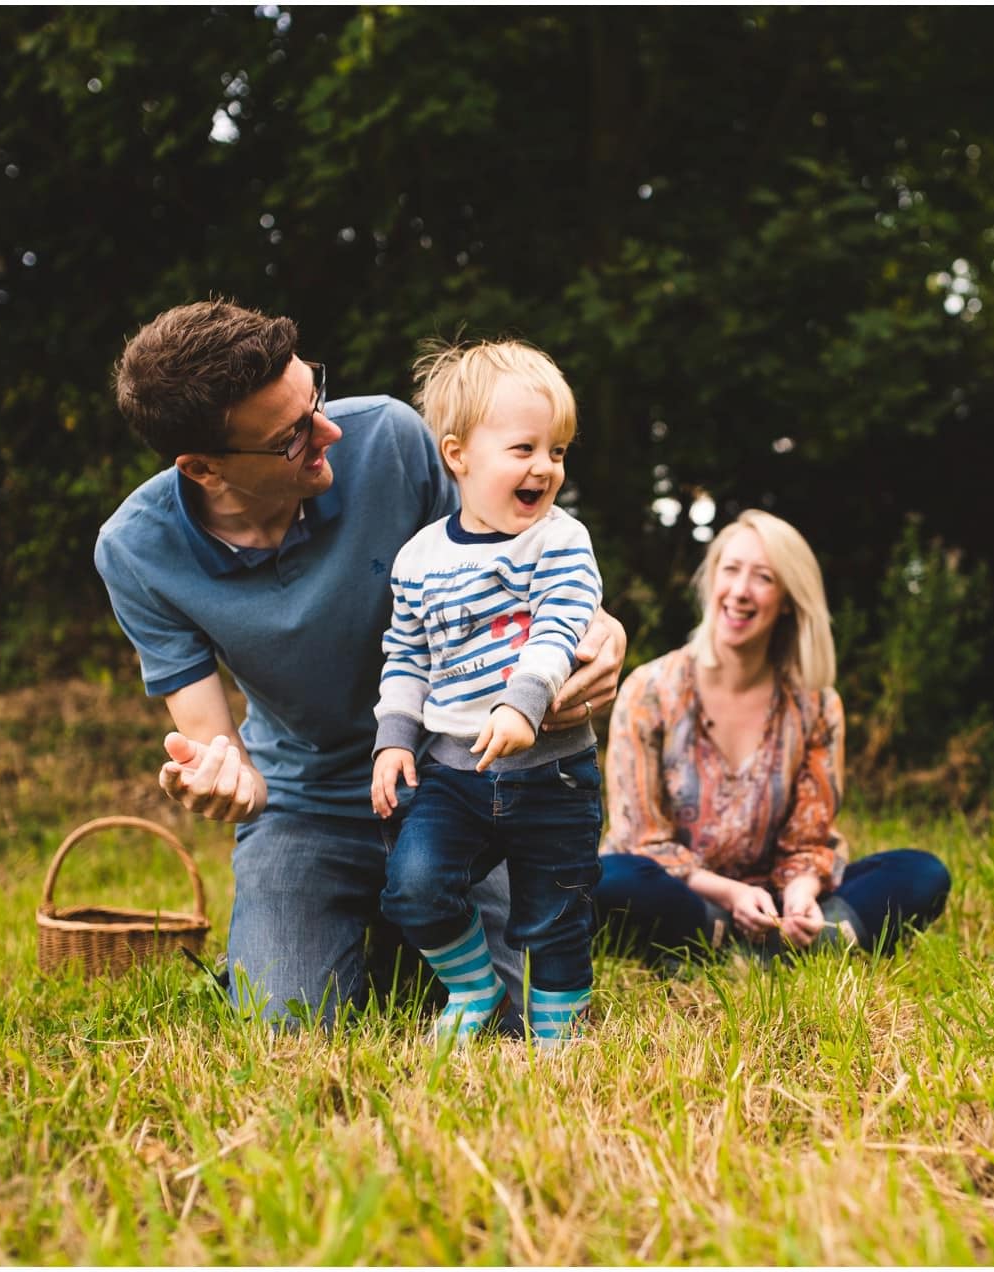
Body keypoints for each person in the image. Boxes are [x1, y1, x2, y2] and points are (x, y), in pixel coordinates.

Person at [94, 300, 624, 1027]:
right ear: (204, 468)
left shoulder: (390, 441)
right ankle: (354, 928)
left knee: (513, 1019)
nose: (329, 432)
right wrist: (225, 781)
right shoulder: (136, 550)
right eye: (291, 437)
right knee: (285, 1022)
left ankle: (410, 927)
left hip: (457, 780)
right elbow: (216, 744)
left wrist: (600, 628)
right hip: (306, 806)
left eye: (313, 394)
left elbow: (516, 552)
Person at [369, 340, 604, 1048]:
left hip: (553, 771)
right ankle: (473, 988)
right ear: (458, 456)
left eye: (557, 451)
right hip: (455, 771)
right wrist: (393, 741)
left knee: (556, 915)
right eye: (523, 448)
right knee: (414, 884)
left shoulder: (560, 541)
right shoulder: (419, 558)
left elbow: (561, 623)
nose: (545, 467)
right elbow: (406, 655)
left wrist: (522, 702)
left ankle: (558, 1040)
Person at [594, 510, 950, 961]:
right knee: (606, 878)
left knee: (921, 873)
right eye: (731, 570)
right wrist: (731, 895)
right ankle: (731, 934)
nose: (740, 590)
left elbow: (809, 838)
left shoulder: (815, 704)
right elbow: (641, 840)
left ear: (787, 599)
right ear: (712, 580)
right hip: (681, 892)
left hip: (774, 899)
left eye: (763, 577)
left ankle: (785, 937)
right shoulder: (650, 689)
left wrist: (801, 894)